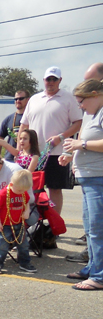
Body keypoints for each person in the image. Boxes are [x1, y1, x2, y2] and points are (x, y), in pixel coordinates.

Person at [20, 66, 83, 215]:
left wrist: (61, 137)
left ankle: (53, 226)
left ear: (60, 80)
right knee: (31, 187)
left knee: (54, 189)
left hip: (56, 153)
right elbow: (24, 124)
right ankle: (33, 221)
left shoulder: (68, 98)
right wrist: (20, 148)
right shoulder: (34, 99)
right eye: (48, 79)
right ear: (44, 80)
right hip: (33, 154)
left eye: (54, 79)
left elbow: (78, 123)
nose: (51, 82)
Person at [61, 79, 103, 290]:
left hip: (99, 179)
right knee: (90, 228)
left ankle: (100, 276)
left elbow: (91, 143)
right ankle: (92, 267)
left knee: (98, 229)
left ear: (95, 94)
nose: (80, 106)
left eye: (82, 101)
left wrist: (82, 144)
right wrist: (72, 154)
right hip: (89, 179)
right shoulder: (93, 114)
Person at [0, 169, 36, 274]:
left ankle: (24, 263)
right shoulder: (3, 194)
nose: (21, 193)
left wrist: (27, 211)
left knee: (24, 245)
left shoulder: (23, 193)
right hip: (5, 225)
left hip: (19, 223)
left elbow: (26, 202)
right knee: (1, 246)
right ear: (12, 184)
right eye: (19, 190)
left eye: (23, 191)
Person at [0, 91, 30, 162]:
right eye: (16, 99)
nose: (18, 101)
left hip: (27, 159)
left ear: (28, 100)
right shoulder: (9, 119)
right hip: (9, 159)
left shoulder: (31, 117)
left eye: (21, 98)